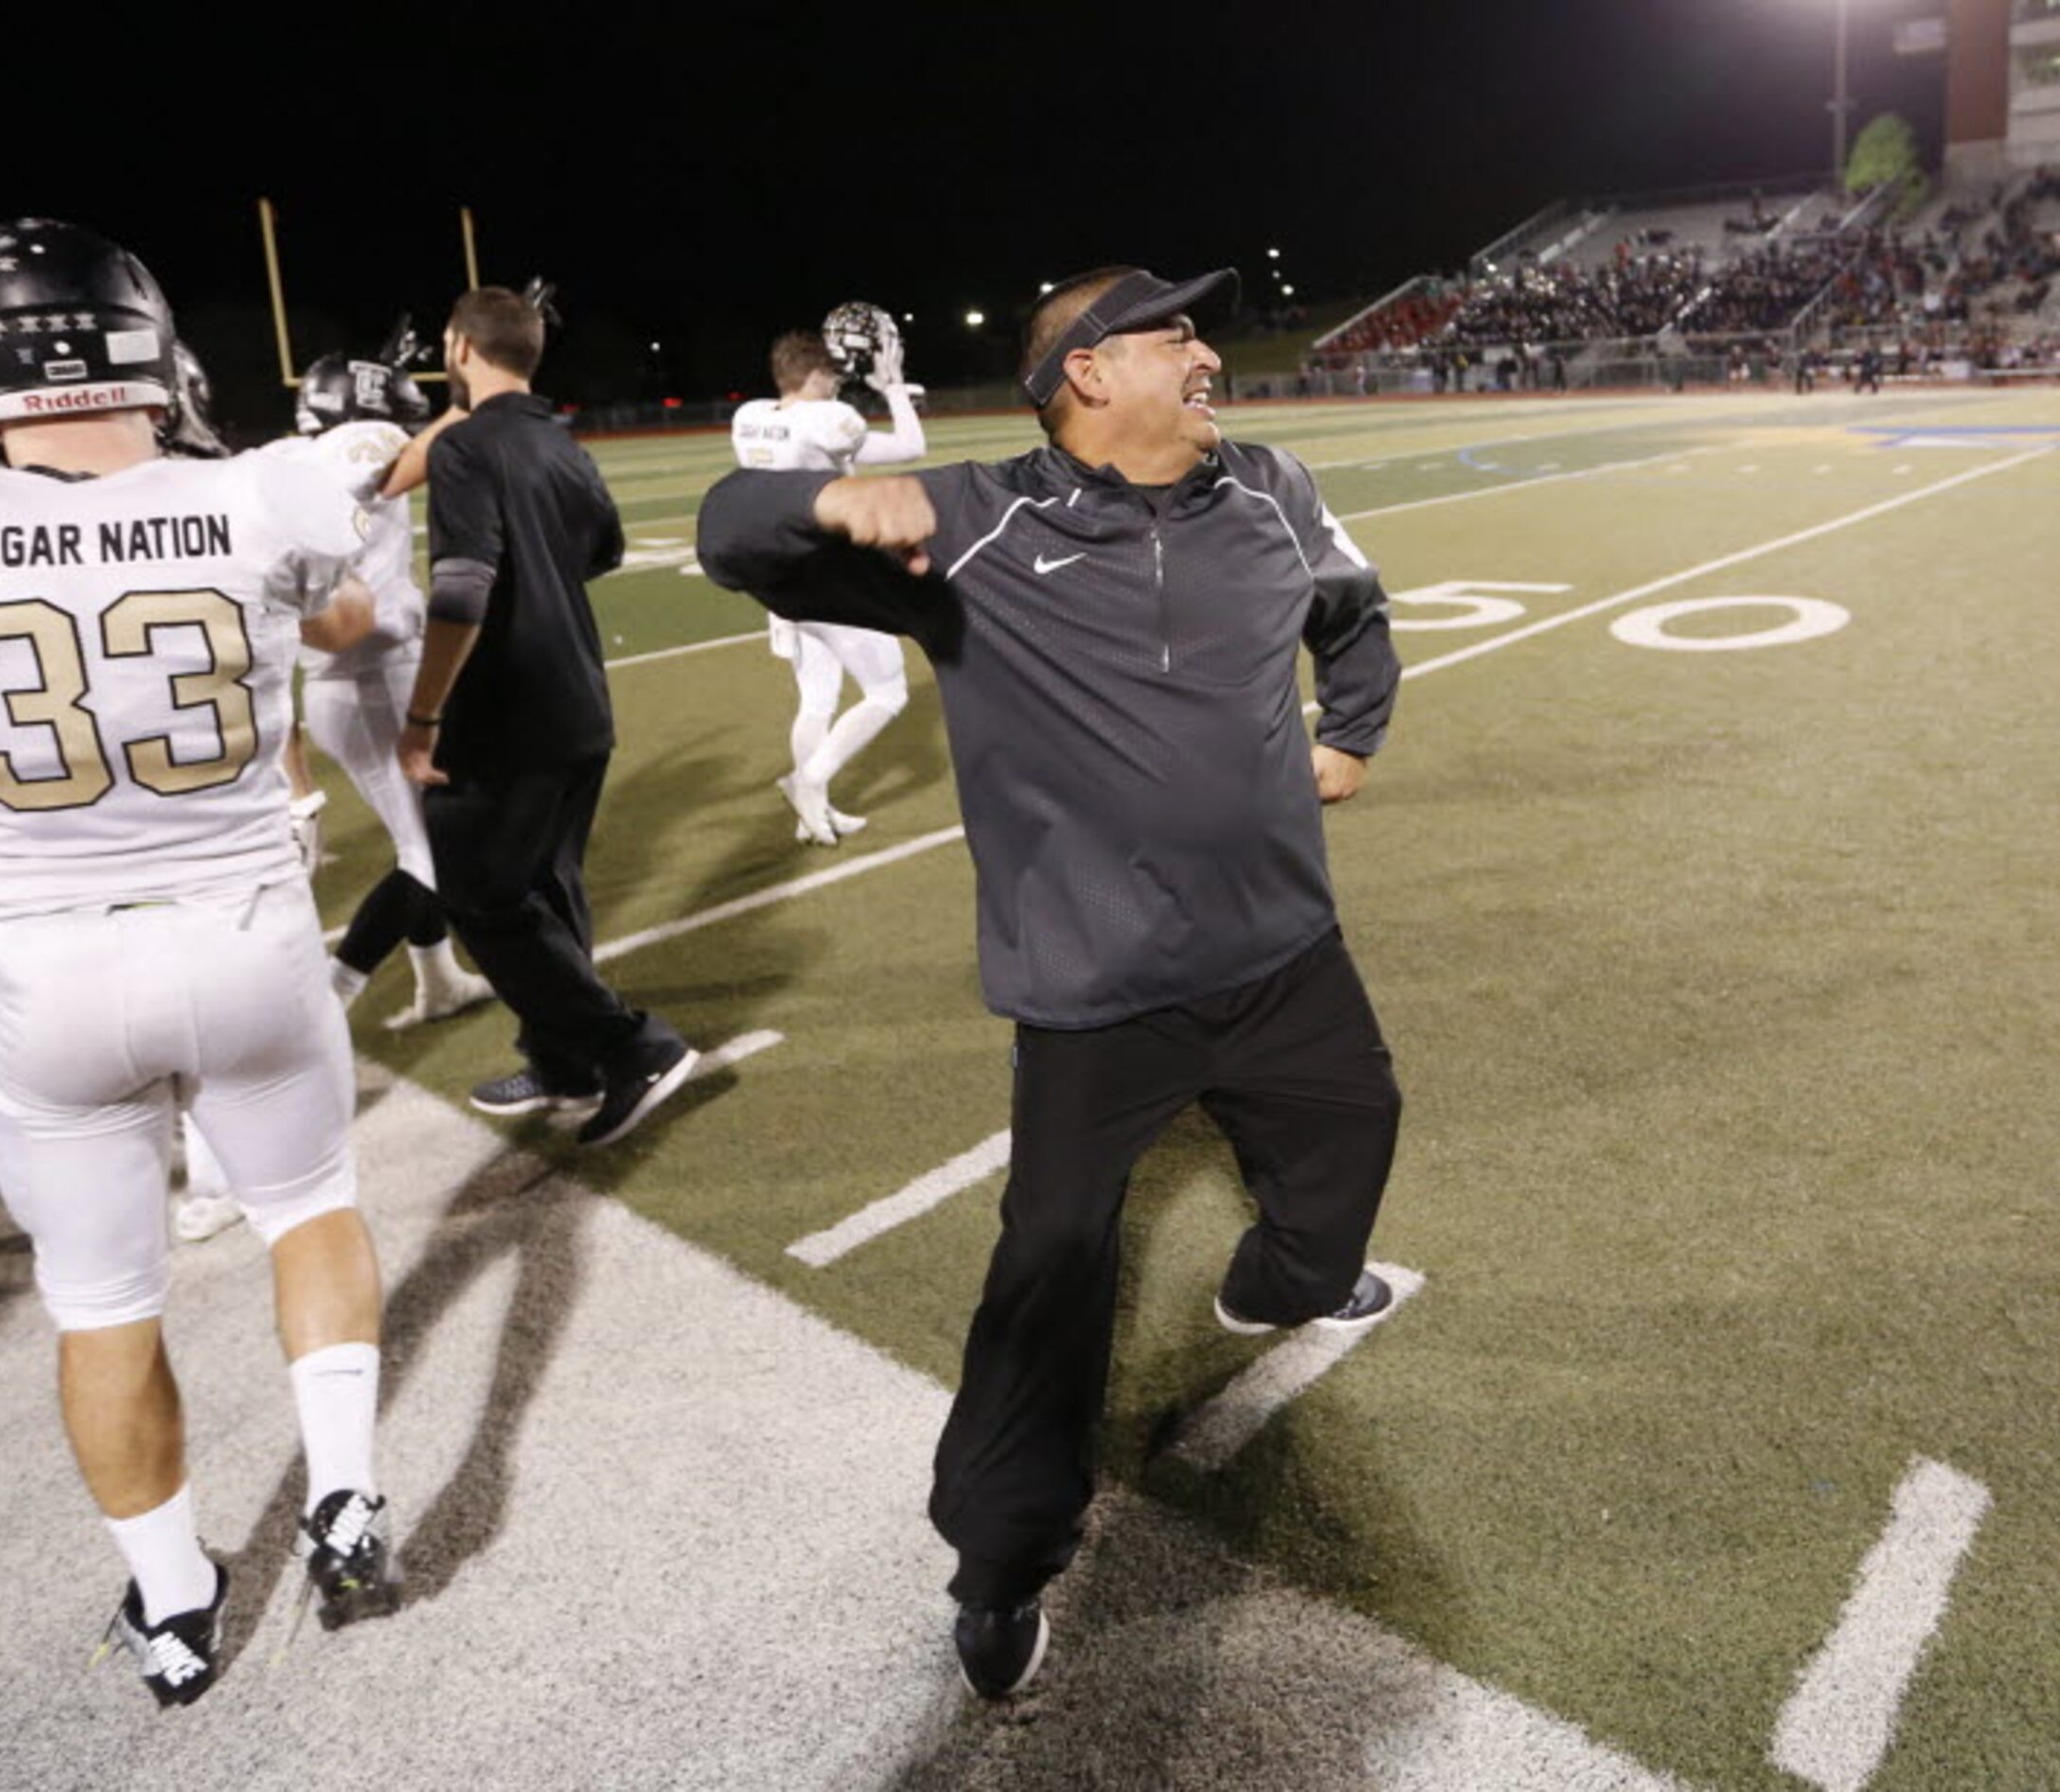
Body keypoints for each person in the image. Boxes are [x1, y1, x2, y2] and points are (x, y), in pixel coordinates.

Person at [697, 266, 1404, 1699]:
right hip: (1094, 987)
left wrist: (1357, 733)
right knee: (1048, 1275)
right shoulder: (967, 520)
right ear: (1086, 372)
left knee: (1353, 1128)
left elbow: (1353, 607)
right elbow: (724, 533)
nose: (1207, 352)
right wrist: (825, 505)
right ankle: (1003, 1560)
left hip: (1284, 951)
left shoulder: (1268, 482)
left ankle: (1285, 1282)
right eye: (1175, 333)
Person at [0, 219, 401, 1708]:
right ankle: (347, 1490)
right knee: (307, 1205)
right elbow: (349, 602)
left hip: (50, 969)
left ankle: (176, 1605)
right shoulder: (258, 490)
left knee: (101, 1300)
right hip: (247, 935)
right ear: (150, 347)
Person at [394, 287, 697, 1147]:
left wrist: (423, 714)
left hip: (507, 708)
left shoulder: (467, 444)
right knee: (548, 885)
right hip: (578, 698)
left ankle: (631, 1047)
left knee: (480, 890)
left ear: (457, 347)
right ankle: (565, 1061)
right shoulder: (559, 443)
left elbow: (459, 589)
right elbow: (604, 549)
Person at [275, 347, 492, 1027]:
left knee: (417, 840)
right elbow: (374, 467)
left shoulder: (281, 458)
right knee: (437, 852)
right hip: (375, 678)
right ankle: (330, 998)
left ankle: (438, 980)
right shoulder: (354, 443)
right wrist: (474, 389)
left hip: (341, 685)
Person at [729, 313, 927, 845]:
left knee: (817, 699)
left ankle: (810, 815)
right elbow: (910, 447)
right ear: (816, 376)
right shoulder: (828, 419)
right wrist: (892, 389)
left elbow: (824, 441)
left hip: (779, 580)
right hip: (829, 578)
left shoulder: (749, 416)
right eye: (833, 377)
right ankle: (807, 782)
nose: (839, 382)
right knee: (887, 693)